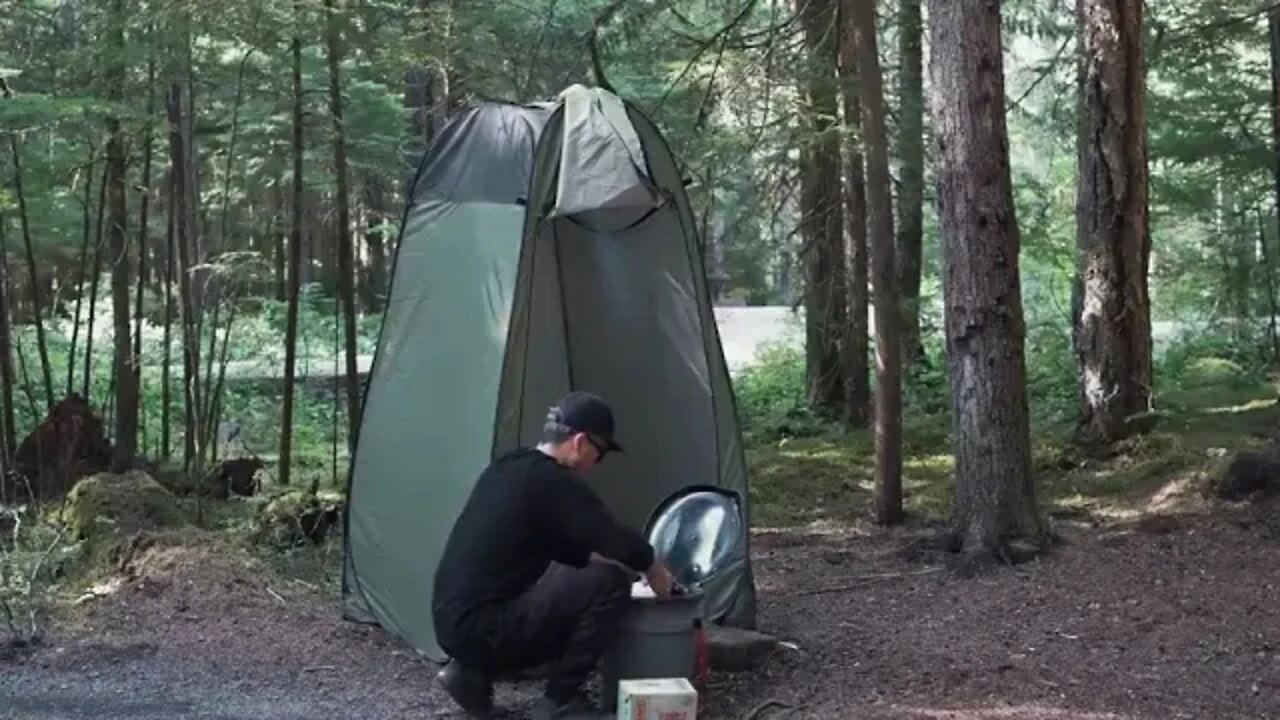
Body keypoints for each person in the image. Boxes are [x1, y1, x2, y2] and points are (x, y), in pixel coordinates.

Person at [431, 390, 676, 720]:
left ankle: (469, 675)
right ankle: (560, 700)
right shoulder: (554, 481)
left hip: (455, 624)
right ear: (579, 442)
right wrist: (654, 569)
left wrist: (603, 560)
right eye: (599, 453)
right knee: (611, 583)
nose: (597, 464)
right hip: (484, 630)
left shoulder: (511, 467)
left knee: (585, 572)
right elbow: (612, 535)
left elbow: (562, 546)